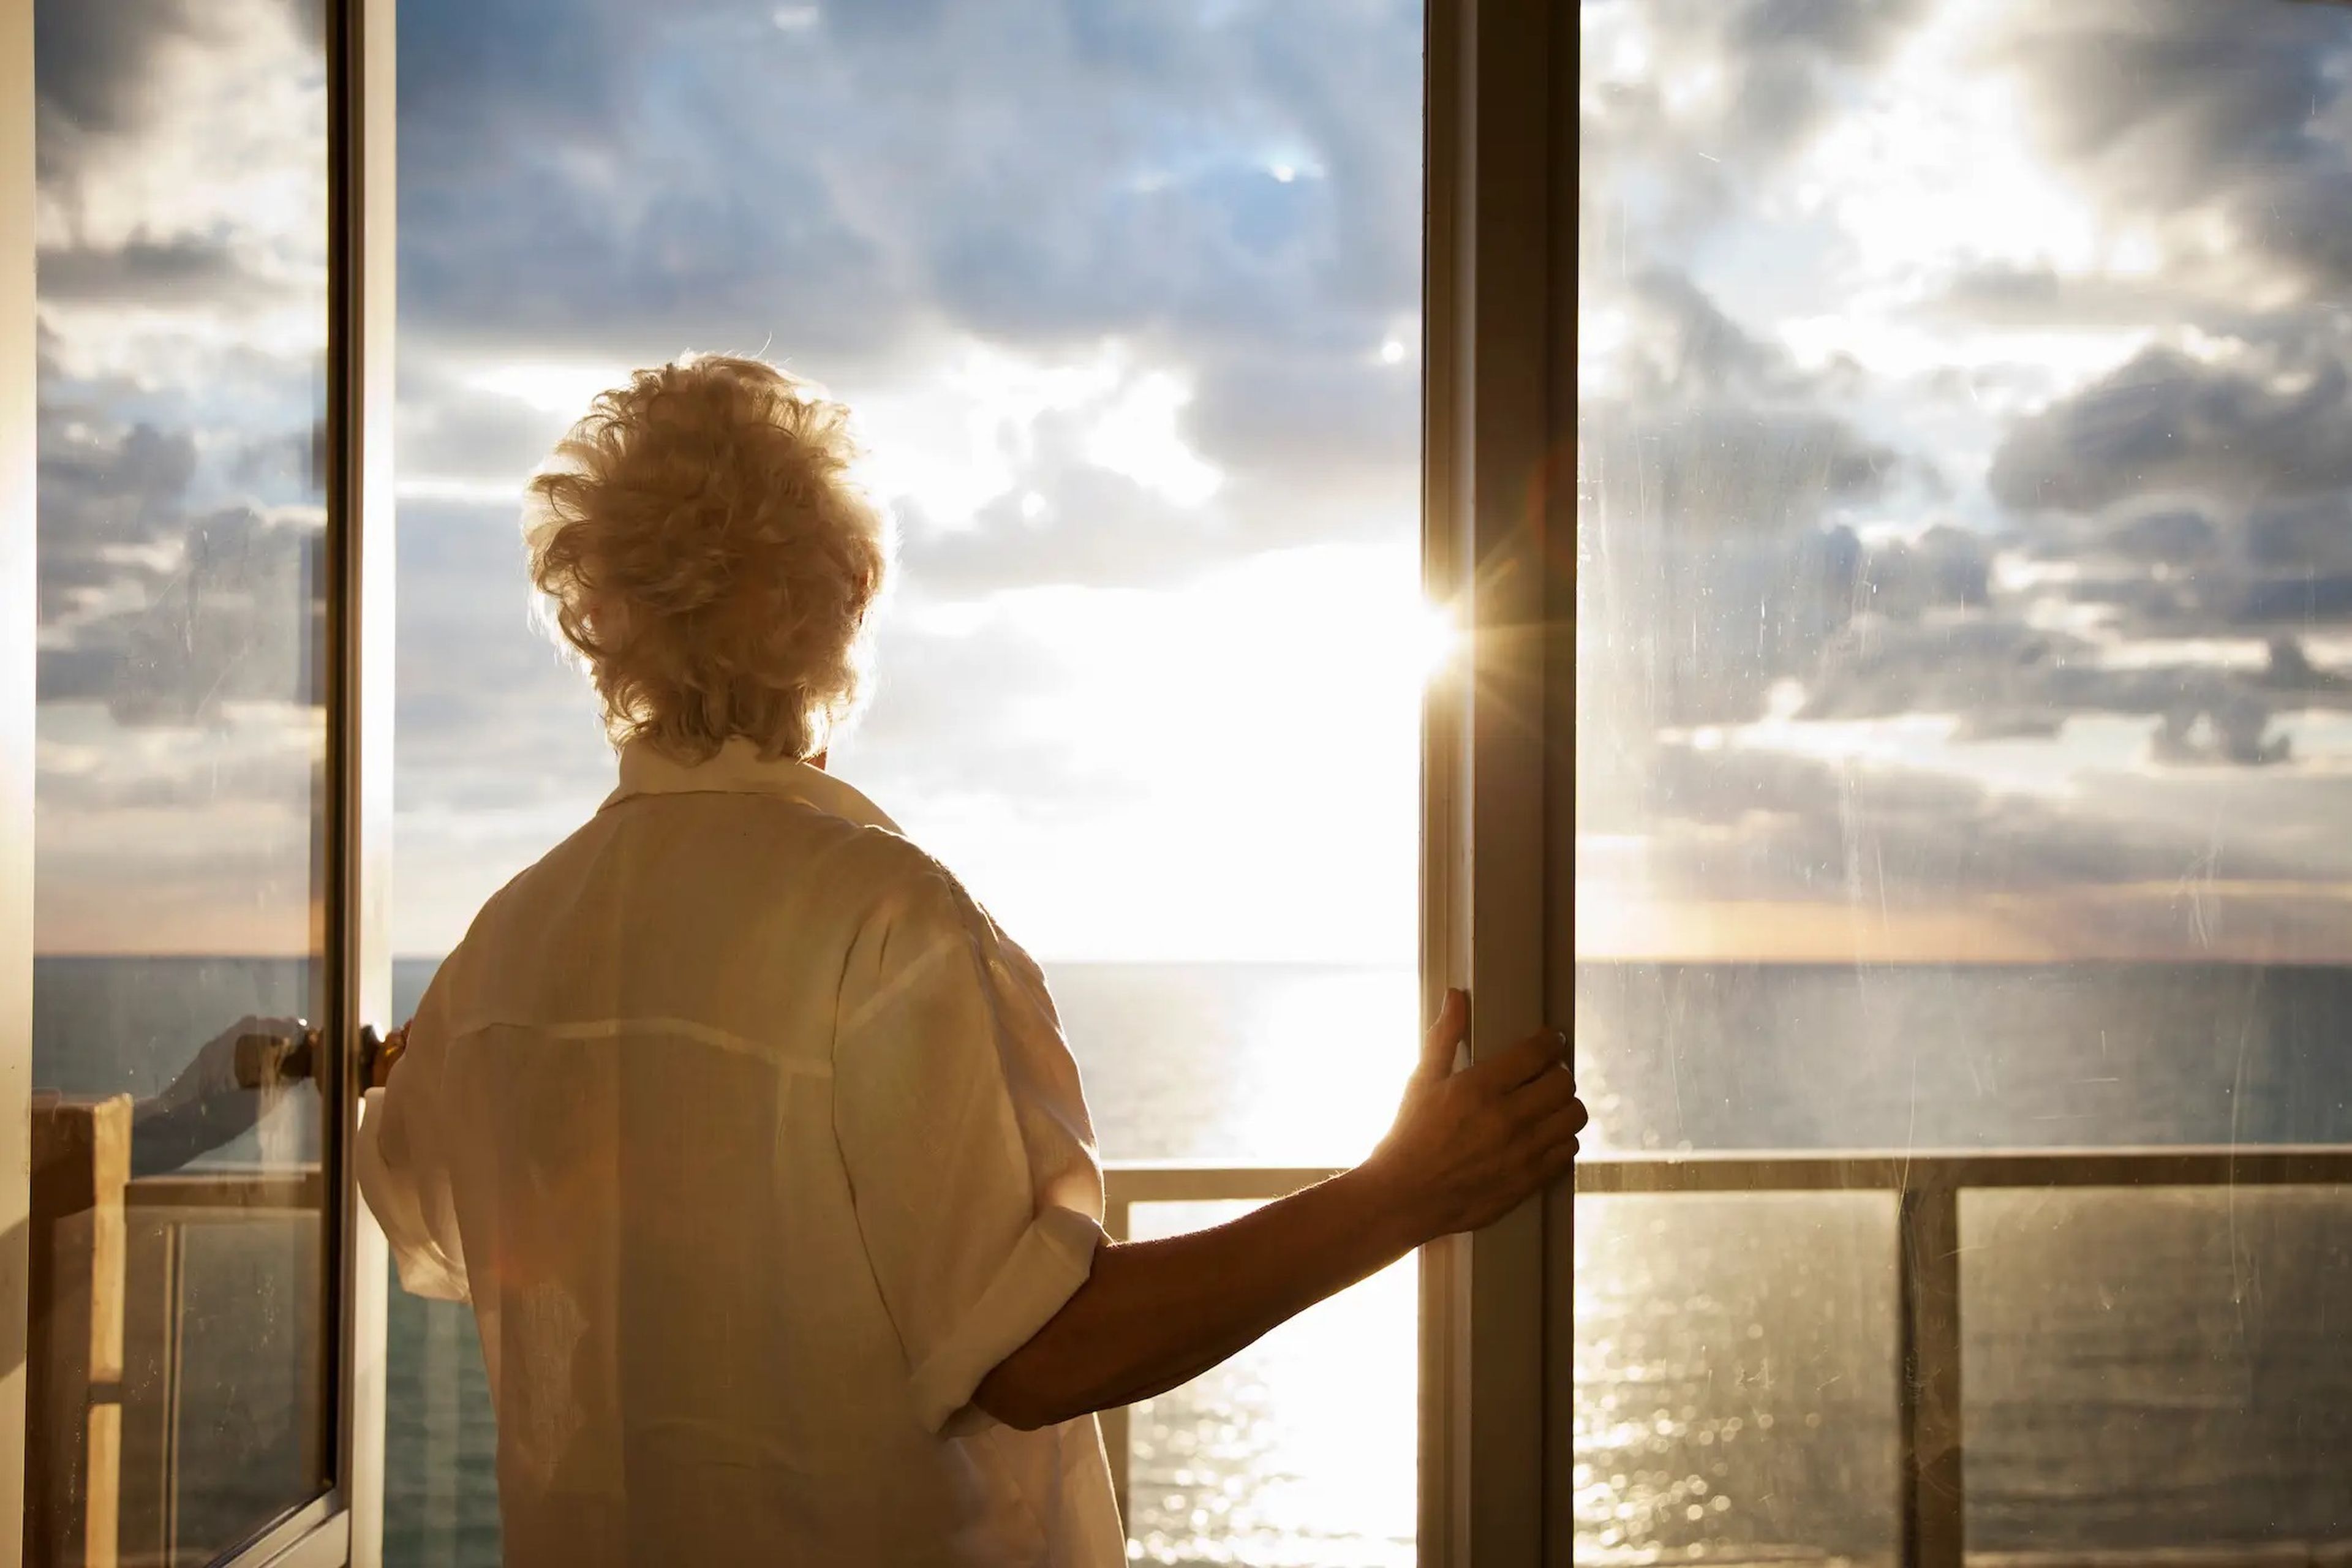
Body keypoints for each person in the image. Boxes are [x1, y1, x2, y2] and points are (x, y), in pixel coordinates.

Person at [356, 353, 1586, 1567]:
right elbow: (1039, 1349)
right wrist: (1402, 1192)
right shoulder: (885, 923)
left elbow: (418, 1196)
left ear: (599, 620)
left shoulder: (502, 948)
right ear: (849, 586)